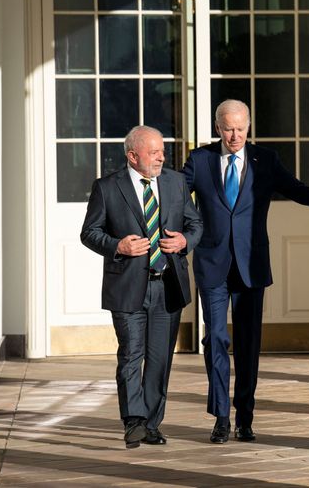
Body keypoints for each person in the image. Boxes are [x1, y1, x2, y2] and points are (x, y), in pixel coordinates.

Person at [182, 99, 309, 444]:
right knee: (215, 338)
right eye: (229, 128)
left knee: (248, 344)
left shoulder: (265, 160)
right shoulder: (199, 161)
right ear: (218, 128)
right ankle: (220, 417)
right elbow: (176, 197)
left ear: (249, 126)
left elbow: (296, 189)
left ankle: (244, 418)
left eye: (241, 128)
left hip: (251, 266)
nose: (235, 135)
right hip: (212, 264)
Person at [80, 125, 203, 448]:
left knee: (160, 360)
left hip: (168, 286)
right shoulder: (107, 188)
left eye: (162, 151)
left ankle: (151, 424)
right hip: (128, 287)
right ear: (133, 156)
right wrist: (118, 246)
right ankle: (133, 420)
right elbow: (89, 232)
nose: (162, 157)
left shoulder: (176, 182)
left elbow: (195, 223)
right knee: (131, 355)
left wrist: (185, 240)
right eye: (154, 152)